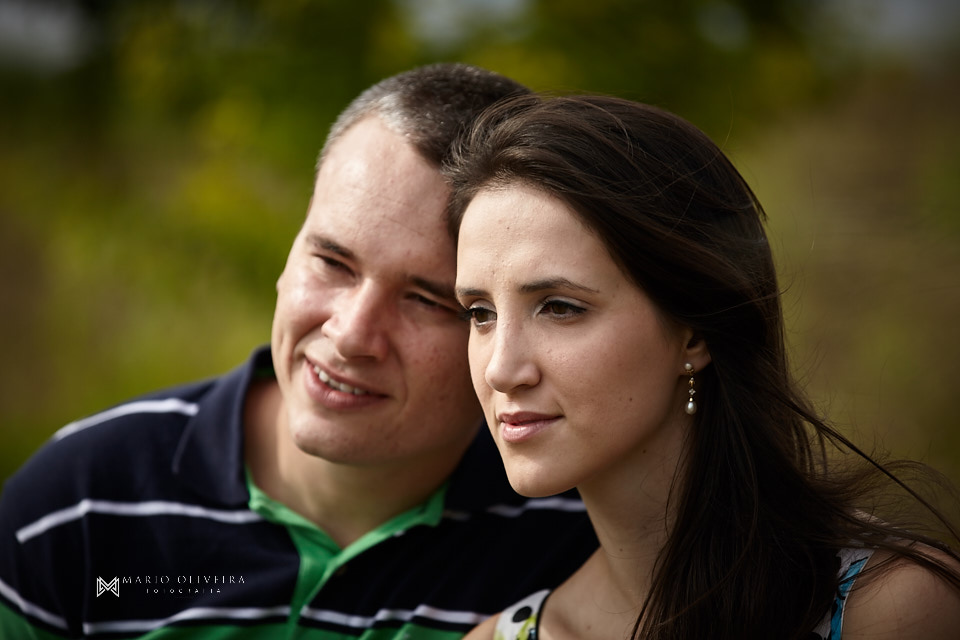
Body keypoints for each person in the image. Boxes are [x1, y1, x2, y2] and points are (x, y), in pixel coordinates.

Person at [0, 65, 597, 639]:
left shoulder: (586, 541)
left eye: (426, 300)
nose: (351, 335)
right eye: (332, 261)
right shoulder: (79, 503)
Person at [446, 93, 960, 639]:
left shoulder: (893, 610)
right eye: (480, 313)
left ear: (693, 333)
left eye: (560, 307)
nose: (501, 369)